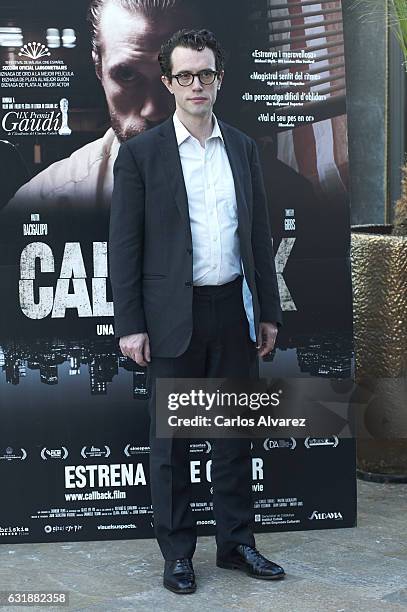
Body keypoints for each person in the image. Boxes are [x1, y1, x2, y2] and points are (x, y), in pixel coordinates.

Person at [109, 28, 285, 594]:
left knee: (233, 441)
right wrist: (131, 324)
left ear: (219, 78)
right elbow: (126, 247)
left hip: (233, 310)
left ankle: (237, 546)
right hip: (171, 320)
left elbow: (258, 237)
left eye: (205, 73)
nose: (196, 84)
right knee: (173, 448)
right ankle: (178, 554)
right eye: (184, 75)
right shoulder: (141, 154)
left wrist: (268, 312)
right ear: (168, 83)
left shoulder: (242, 147)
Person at [4, 0, 199, 213]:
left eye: (180, 74)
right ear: (98, 67)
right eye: (127, 75)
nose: (154, 110)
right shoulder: (42, 203)